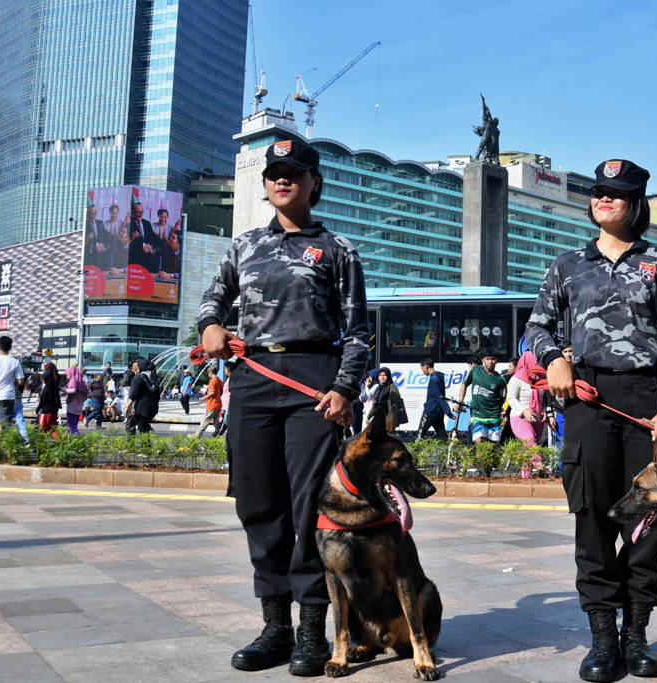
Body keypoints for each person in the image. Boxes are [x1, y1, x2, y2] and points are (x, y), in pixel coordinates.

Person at [197, 135, 370, 675]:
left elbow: (359, 332)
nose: (281, 178)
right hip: (252, 379)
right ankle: (274, 627)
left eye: (294, 171)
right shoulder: (244, 245)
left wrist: (344, 389)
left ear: (314, 183)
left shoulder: (338, 250)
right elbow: (213, 299)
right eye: (274, 171)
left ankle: (312, 634)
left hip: (313, 383)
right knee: (256, 501)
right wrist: (209, 327)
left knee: (308, 509)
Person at [525, 159, 657, 681]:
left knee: (647, 522)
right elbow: (538, 324)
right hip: (587, 399)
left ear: (636, 202)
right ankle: (601, 641)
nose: (604, 199)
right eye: (598, 191)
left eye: (615, 193)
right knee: (592, 517)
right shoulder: (567, 264)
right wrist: (555, 360)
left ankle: (636, 638)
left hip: (646, 403)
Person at [457, 348, 507, 446]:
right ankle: (480, 462)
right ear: (482, 360)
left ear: (497, 361)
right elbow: (464, 384)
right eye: (488, 359)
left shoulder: (500, 380)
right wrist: (460, 401)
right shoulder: (475, 370)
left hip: (494, 418)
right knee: (480, 443)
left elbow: (502, 399)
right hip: (478, 417)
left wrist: (501, 413)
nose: (490, 361)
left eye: (493, 359)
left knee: (492, 448)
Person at [507, 351, 546, 445]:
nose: (536, 364)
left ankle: (511, 458)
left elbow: (545, 398)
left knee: (530, 448)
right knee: (530, 441)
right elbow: (511, 398)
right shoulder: (517, 378)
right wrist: (524, 411)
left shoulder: (542, 377)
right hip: (520, 417)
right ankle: (537, 461)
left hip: (537, 419)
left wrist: (545, 411)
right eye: (534, 361)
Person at [417, 359, 453, 439]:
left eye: (422, 368)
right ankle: (446, 451)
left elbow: (439, 397)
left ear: (426, 366)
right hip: (438, 412)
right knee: (442, 437)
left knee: (419, 436)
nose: (422, 371)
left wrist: (448, 412)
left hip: (430, 411)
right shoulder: (438, 377)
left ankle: (415, 451)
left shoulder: (434, 379)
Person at [126, 358, 160, 433]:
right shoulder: (154, 377)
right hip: (153, 408)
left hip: (141, 409)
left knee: (141, 428)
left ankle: (134, 442)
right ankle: (147, 432)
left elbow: (133, 394)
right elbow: (158, 395)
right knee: (143, 426)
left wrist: (127, 406)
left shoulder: (138, 377)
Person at [365, 367, 402, 431]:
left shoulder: (392, 387)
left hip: (388, 419)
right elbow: (376, 404)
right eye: (380, 375)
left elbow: (396, 404)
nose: (382, 377)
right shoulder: (378, 388)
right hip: (378, 418)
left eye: (384, 375)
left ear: (388, 376)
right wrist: (368, 417)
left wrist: (392, 418)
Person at [196, 367, 224, 438]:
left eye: (208, 373)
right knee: (216, 422)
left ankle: (196, 436)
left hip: (212, 405)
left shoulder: (212, 380)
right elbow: (221, 392)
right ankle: (216, 435)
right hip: (218, 404)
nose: (208, 375)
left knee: (205, 421)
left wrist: (203, 398)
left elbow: (212, 392)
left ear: (211, 372)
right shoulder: (219, 380)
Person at [36, 363, 62, 433]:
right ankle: (60, 443)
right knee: (54, 429)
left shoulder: (47, 387)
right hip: (54, 410)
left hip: (46, 410)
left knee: (42, 430)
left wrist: (38, 408)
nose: (42, 380)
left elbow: (43, 400)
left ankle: (42, 444)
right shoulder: (55, 385)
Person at [62, 366, 88, 434]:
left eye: (67, 373)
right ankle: (69, 440)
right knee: (73, 425)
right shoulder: (81, 382)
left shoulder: (73, 380)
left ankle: (76, 440)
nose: (66, 374)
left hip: (72, 408)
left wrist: (62, 389)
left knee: (72, 427)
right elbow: (87, 394)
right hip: (78, 408)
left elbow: (73, 390)